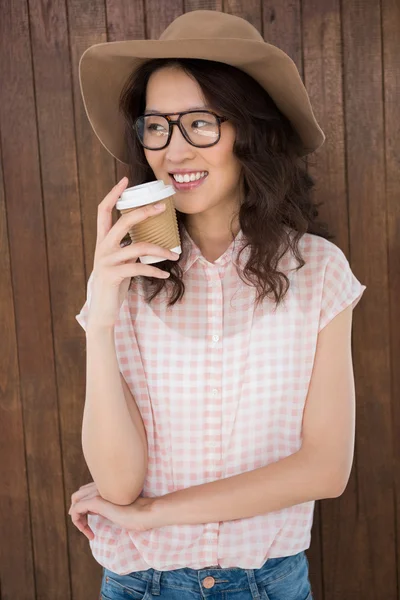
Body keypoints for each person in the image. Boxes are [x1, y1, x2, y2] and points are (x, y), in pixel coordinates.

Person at [69, 10, 367, 600]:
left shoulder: (318, 272)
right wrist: (99, 321)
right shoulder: (127, 276)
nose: (173, 150)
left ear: (249, 133)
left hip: (270, 582)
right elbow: (119, 485)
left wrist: (159, 514)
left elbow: (326, 470)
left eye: (199, 123)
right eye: (156, 127)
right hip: (139, 584)